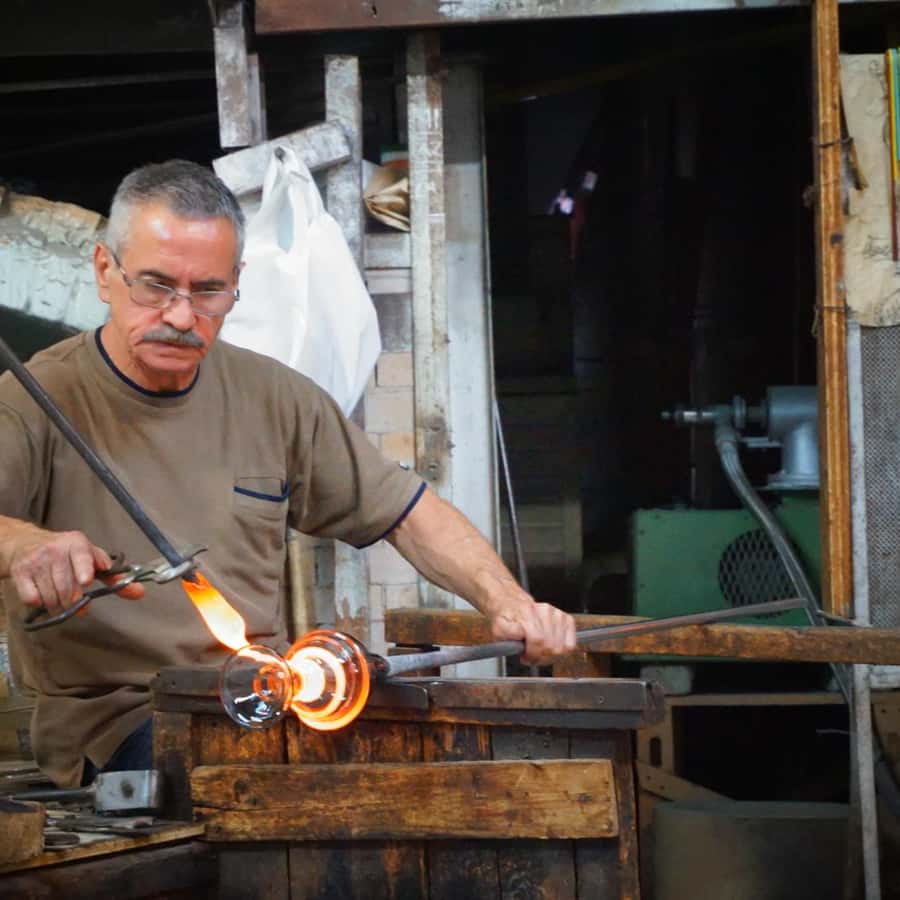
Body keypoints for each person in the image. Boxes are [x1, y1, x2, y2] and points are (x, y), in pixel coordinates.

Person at [0, 160, 576, 789]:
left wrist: (510, 602)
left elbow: (408, 512)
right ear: (105, 270)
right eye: (156, 287)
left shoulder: (275, 398)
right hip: (119, 724)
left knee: (428, 778)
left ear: (237, 282)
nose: (183, 316)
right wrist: (27, 545)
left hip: (261, 697)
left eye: (209, 291)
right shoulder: (34, 398)